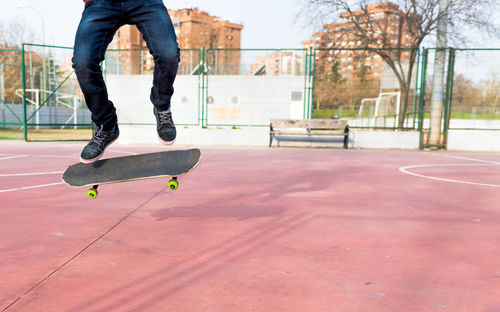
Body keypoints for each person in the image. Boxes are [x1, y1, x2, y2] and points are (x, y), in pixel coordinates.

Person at [73, 0, 180, 163]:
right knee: (83, 62)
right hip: (100, 3)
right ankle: (106, 125)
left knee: (169, 54)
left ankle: (162, 107)